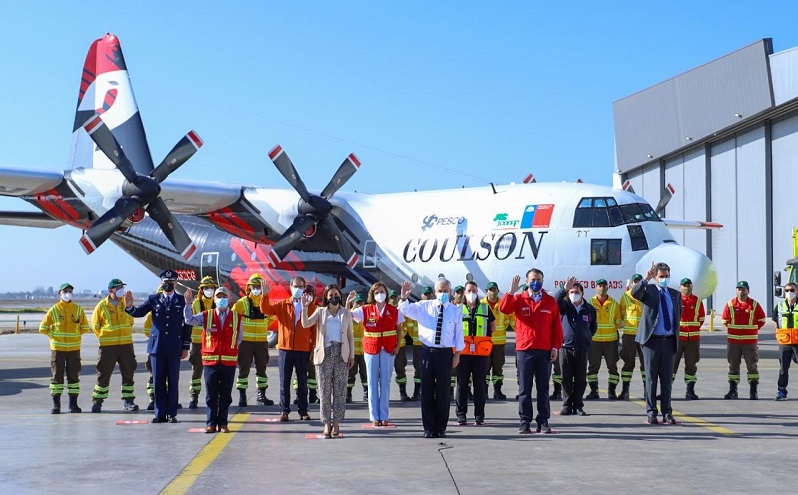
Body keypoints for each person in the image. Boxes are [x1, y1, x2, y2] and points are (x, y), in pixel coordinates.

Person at [124, 270, 192, 423]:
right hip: (157, 346)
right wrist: (129, 307)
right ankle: (160, 412)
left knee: (173, 380)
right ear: (161, 283)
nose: (167, 284)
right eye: (164, 282)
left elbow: (187, 325)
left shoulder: (182, 301)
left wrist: (185, 346)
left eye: (171, 282)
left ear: (176, 283)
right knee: (158, 380)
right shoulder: (153, 299)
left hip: (175, 346)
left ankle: (172, 413)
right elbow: (139, 312)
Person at [399, 278, 464, 438]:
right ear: (435, 292)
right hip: (427, 352)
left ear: (450, 292)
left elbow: (459, 334)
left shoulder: (455, 311)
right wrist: (403, 297)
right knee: (426, 392)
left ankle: (440, 428)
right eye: (440, 291)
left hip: (445, 354)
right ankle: (428, 428)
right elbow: (405, 310)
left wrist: (457, 354)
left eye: (446, 291)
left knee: (443, 393)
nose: (442, 294)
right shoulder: (424, 306)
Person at [500, 269, 562, 434]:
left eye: (539, 279)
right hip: (524, 350)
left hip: (544, 351)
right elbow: (504, 309)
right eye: (533, 279)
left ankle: (543, 421)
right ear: (527, 281)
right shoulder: (519, 299)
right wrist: (511, 291)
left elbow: (557, 327)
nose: (536, 282)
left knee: (543, 389)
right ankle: (525, 422)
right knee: (525, 389)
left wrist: (555, 347)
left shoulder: (550, 301)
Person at [183, 286, 242, 433]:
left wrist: (230, 349)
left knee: (226, 396)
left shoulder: (236, 317)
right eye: (218, 297)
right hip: (210, 362)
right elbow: (189, 320)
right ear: (214, 299)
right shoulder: (206, 315)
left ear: (229, 299)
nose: (221, 299)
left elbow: (239, 337)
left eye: (224, 297)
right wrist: (188, 305)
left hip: (228, 362)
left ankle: (223, 424)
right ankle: (211, 423)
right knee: (211, 395)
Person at [259, 276, 316, 421]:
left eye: (301, 286)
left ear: (304, 288)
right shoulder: (283, 304)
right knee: (284, 381)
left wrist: (312, 348)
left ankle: (303, 411)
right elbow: (265, 309)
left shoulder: (310, 306)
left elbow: (314, 329)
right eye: (295, 286)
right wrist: (264, 295)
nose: (298, 289)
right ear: (291, 287)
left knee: (302, 381)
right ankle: (284, 410)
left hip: (302, 349)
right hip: (285, 348)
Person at [301, 284, 355, 438]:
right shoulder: (320, 311)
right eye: (330, 295)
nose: (333, 297)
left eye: (336, 294)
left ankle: (336, 423)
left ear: (340, 295)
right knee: (324, 391)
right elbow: (305, 324)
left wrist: (351, 355)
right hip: (324, 354)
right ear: (326, 297)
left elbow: (350, 336)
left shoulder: (345, 313)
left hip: (341, 353)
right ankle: (326, 423)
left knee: (339, 390)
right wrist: (305, 308)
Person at [631, 262, 681, 425]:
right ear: (655, 277)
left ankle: (667, 412)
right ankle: (651, 412)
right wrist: (646, 278)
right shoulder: (650, 290)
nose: (664, 279)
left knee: (666, 380)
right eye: (661, 276)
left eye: (666, 276)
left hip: (669, 341)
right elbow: (635, 293)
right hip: (652, 341)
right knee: (651, 378)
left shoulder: (675, 294)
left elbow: (676, 316)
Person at [347, 282, 403, 426]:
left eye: (382, 291)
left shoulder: (394, 310)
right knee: (372, 382)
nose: (380, 294)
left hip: (388, 349)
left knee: (385, 382)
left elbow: (399, 329)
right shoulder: (365, 309)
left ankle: (384, 416)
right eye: (377, 292)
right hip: (371, 349)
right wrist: (348, 303)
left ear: (386, 293)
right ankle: (374, 417)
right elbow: (348, 316)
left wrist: (398, 346)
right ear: (372, 294)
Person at [39, 283, 90, 414]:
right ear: (59, 293)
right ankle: (56, 405)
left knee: (73, 377)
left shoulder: (78, 309)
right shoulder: (54, 310)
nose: (68, 293)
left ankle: (73, 405)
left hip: (74, 349)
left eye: (70, 291)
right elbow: (43, 328)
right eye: (65, 291)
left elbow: (85, 327)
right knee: (57, 377)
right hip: (58, 349)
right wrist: (53, 336)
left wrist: (76, 334)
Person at [91, 278, 138, 413]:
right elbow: (95, 326)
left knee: (128, 372)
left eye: (121, 287)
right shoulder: (102, 306)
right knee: (103, 374)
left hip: (126, 345)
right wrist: (104, 337)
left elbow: (131, 320)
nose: (121, 290)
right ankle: (97, 402)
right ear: (111, 290)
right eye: (118, 288)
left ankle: (128, 401)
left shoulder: (125, 303)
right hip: (108, 346)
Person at [554, 277, 597, 416]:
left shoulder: (589, 308)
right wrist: (564, 289)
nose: (573, 294)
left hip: (582, 348)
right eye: (571, 292)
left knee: (580, 379)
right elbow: (555, 301)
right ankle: (566, 405)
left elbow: (593, 327)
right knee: (565, 378)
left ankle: (578, 405)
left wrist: (585, 338)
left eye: (576, 291)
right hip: (565, 347)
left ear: (582, 293)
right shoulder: (564, 306)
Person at [231, 273, 276, 407]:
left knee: (262, 368)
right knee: (243, 369)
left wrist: (261, 328)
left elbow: (272, 317)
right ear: (249, 287)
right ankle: (242, 396)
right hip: (246, 342)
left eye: (258, 286)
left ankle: (261, 395)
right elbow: (233, 318)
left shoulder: (266, 302)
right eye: (254, 286)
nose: (256, 288)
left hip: (261, 341)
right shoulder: (241, 303)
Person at [455, 281, 494, 425]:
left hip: (480, 354)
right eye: (469, 290)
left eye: (474, 290)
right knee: (462, 385)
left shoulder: (485, 308)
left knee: (479, 385)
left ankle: (479, 416)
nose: (471, 293)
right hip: (463, 352)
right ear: (464, 292)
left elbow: (493, 327)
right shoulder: (457, 309)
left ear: (477, 292)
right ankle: (461, 415)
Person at [721, 281, 766, 400]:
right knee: (733, 366)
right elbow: (724, 320)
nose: (741, 291)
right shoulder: (730, 304)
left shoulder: (754, 305)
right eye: (739, 289)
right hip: (733, 342)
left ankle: (753, 392)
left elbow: (761, 320)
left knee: (752, 366)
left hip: (749, 343)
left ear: (748, 290)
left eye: (743, 289)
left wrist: (750, 332)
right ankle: (733, 391)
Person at [586, 279, 622, 400]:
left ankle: (612, 391)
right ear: (596, 287)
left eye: (604, 286)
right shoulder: (590, 302)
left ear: (607, 287)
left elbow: (618, 322)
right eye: (599, 286)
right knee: (593, 366)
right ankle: (594, 391)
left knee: (612, 366)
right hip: (594, 341)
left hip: (610, 341)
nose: (602, 288)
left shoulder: (614, 304)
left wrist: (609, 331)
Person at [188, 276, 218, 409]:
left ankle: (214, 396)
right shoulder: (195, 304)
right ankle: (194, 396)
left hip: (214, 342)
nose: (209, 290)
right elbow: (190, 321)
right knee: (196, 371)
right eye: (206, 288)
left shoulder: (218, 303)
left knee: (214, 371)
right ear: (201, 290)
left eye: (211, 288)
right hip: (198, 342)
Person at [482, 281, 515, 400]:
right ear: (486, 291)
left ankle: (497, 391)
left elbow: (508, 321)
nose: (493, 292)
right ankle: (484, 391)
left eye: (495, 289)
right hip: (484, 343)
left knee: (498, 369)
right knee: (484, 369)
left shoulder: (503, 304)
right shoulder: (481, 305)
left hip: (499, 343)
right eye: (490, 290)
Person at [674, 277, 705, 400]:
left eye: (688, 285)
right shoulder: (675, 300)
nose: (686, 287)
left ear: (692, 286)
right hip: (678, 338)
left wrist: (692, 329)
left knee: (691, 365)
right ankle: (666, 391)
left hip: (692, 339)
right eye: (684, 285)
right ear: (680, 287)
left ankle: (690, 391)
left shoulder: (697, 301)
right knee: (672, 364)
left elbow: (701, 319)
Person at [618, 274, 645, 400]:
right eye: (635, 282)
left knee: (646, 364)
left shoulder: (647, 295)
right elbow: (622, 314)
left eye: (639, 282)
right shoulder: (625, 296)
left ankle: (647, 390)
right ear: (632, 283)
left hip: (645, 335)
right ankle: (625, 390)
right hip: (629, 335)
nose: (637, 284)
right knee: (628, 363)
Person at [773, 282, 798, 400]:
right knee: (783, 368)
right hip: (785, 342)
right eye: (787, 290)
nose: (789, 293)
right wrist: (778, 334)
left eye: (791, 290)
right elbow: (775, 320)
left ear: (796, 291)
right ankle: (782, 391)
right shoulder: (779, 306)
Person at [389, 289, 412, 401]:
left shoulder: (401, 311)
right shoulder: (385, 311)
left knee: (400, 369)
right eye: (391, 297)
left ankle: (403, 392)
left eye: (395, 297)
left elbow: (406, 327)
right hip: (386, 346)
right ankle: (383, 394)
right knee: (384, 371)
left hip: (400, 345)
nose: (393, 300)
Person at [347, 294, 368, 403]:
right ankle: (348, 393)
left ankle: (367, 393)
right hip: (353, 352)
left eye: (361, 302)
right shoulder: (349, 315)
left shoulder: (367, 315)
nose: (359, 305)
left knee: (365, 374)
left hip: (365, 351)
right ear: (353, 303)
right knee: (350, 374)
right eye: (357, 303)